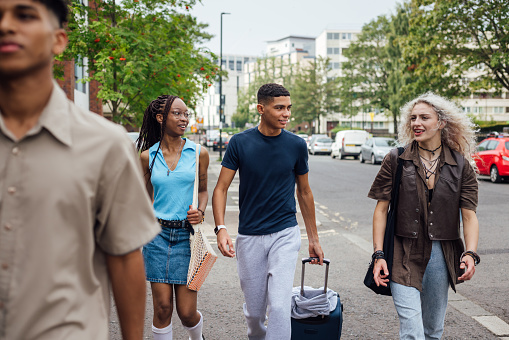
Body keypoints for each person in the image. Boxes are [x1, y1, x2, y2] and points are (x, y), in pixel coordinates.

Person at [0, 0, 161, 339]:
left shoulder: (106, 144)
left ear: (58, 40)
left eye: (25, 15)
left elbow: (125, 256)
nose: (6, 26)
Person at [212, 83, 324, 340]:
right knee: (254, 313)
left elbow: (304, 192)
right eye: (279, 108)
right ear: (261, 109)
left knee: (281, 305)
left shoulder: (296, 145)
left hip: (285, 233)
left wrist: (313, 239)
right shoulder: (240, 143)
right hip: (249, 237)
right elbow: (220, 189)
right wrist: (220, 229)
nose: (286, 114)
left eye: (288, 108)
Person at [368, 92, 480, 340]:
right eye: (413, 118)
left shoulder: (461, 166)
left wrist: (470, 253)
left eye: (424, 118)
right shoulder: (396, 159)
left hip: (441, 254)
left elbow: (469, 215)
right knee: (412, 332)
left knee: (432, 330)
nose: (416, 123)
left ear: (441, 122)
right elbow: (381, 210)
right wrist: (378, 255)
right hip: (401, 252)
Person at [137, 95, 209, 340]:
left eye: (186, 114)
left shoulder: (199, 153)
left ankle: (197, 337)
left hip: (187, 238)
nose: (184, 119)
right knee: (163, 307)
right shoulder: (147, 157)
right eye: (177, 113)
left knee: (187, 313)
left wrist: (200, 211)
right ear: (160, 118)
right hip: (156, 237)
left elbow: (203, 190)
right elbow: (145, 200)